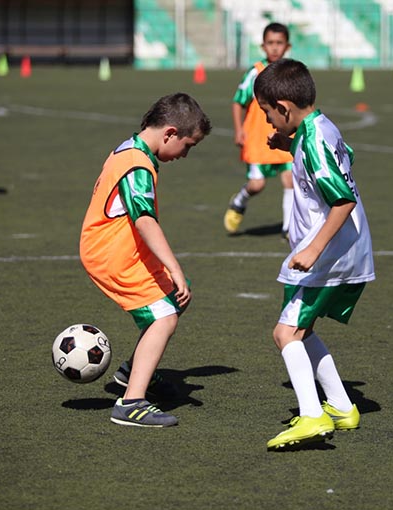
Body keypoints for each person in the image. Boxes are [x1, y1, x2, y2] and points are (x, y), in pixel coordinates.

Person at [253, 59, 375, 450]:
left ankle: (312, 416)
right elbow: (346, 157)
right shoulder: (318, 128)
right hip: (335, 253)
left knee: (285, 333)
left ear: (284, 107)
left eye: (269, 115)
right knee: (302, 332)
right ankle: (341, 406)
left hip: (330, 255)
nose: (269, 123)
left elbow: (342, 201)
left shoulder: (316, 139)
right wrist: (291, 146)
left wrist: (314, 248)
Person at [79, 93, 211, 428]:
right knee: (165, 316)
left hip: (122, 247)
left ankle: (132, 371)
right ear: (169, 133)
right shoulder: (137, 165)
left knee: (175, 296)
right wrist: (174, 267)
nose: (185, 154)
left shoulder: (132, 148)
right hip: (111, 254)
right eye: (188, 146)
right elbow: (144, 220)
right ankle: (131, 403)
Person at [223, 22, 293, 236]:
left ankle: (289, 229)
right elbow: (238, 102)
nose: (274, 48)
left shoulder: (290, 72)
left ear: (287, 46)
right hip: (257, 140)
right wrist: (239, 130)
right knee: (257, 185)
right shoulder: (255, 73)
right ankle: (239, 200)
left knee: (290, 180)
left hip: (283, 137)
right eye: (270, 43)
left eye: (279, 43)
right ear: (263, 46)